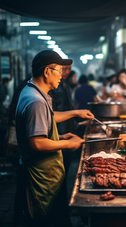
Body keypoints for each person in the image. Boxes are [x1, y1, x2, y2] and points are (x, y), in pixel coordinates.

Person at [15, 50, 94, 226]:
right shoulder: (35, 100)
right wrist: (67, 143)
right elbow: (37, 142)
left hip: (46, 177)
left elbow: (47, 118)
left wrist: (75, 113)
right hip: (40, 179)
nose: (61, 75)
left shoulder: (33, 91)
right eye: (59, 70)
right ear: (46, 71)